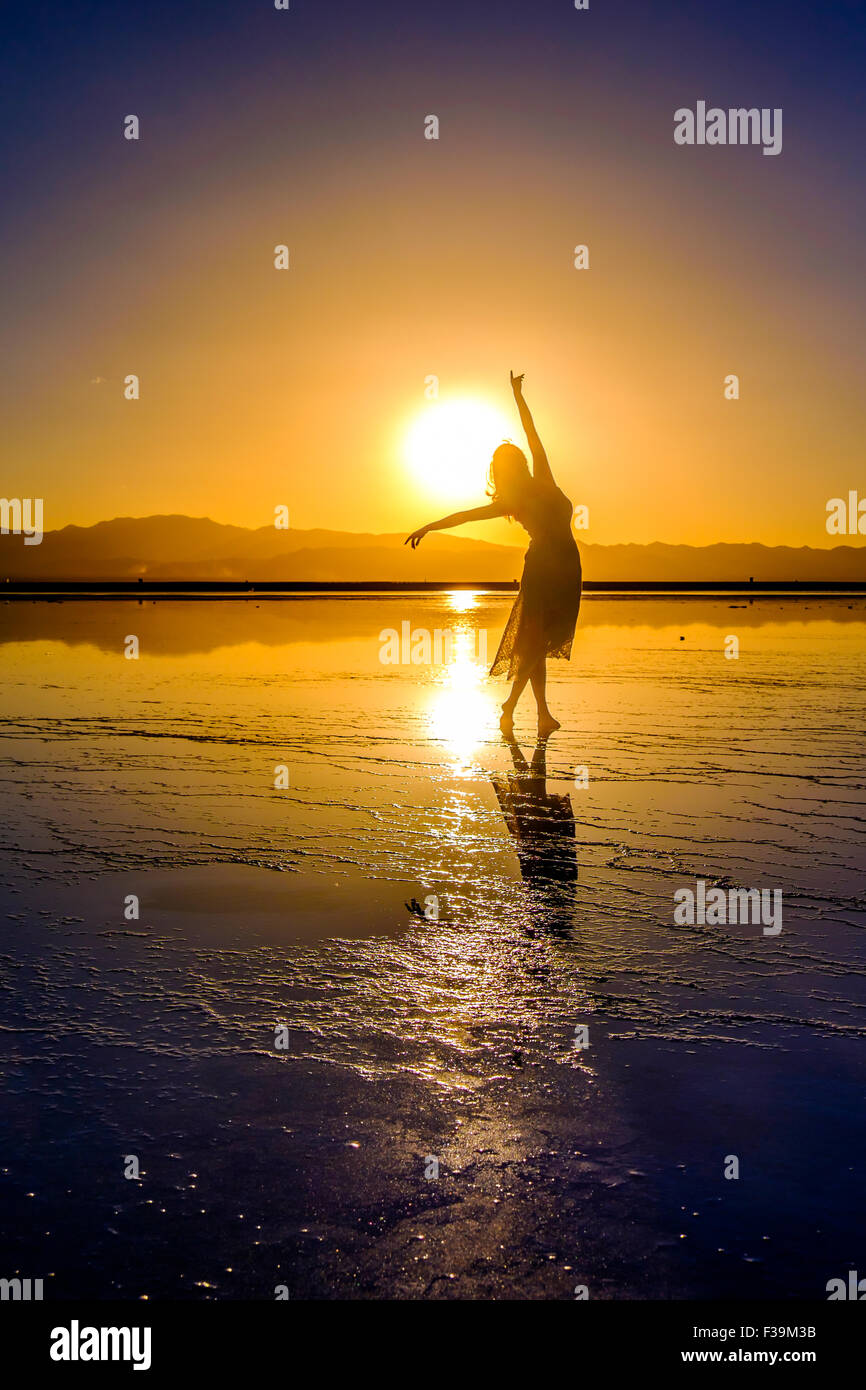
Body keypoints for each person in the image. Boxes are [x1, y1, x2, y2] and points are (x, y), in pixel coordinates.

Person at [405, 371, 582, 734]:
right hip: (549, 568)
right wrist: (429, 526)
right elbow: (465, 516)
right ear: (518, 465)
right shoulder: (522, 495)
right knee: (536, 642)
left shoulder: (535, 484)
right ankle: (516, 707)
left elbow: (532, 433)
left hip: (563, 567)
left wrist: (518, 396)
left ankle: (539, 714)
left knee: (538, 641)